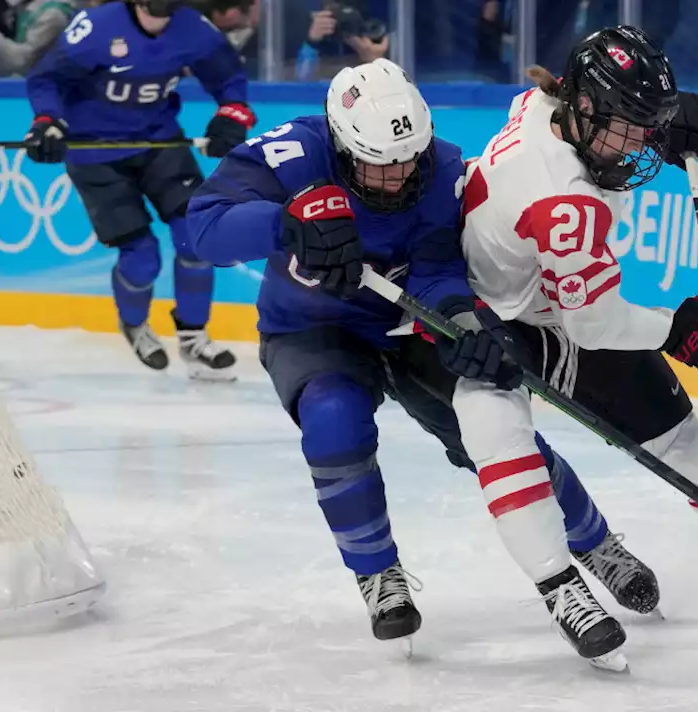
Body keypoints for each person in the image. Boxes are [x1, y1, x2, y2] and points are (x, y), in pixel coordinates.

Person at [184, 58, 661, 648]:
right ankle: (377, 572)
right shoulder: (294, 152)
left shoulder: (443, 169)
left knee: (493, 434)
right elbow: (203, 225)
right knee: (334, 424)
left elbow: (437, 264)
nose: (400, 175)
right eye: (380, 164)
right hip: (314, 331)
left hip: (411, 325)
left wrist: (462, 321)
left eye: (410, 159)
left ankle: (597, 544)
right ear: (340, 143)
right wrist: (285, 222)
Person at [446, 26, 698, 669]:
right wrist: (688, 333)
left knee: (680, 438)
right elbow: (595, 326)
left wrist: (668, 117)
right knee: (495, 431)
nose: (639, 147)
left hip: (545, 300)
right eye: (628, 130)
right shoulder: (565, 203)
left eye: (645, 128)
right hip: (496, 317)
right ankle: (560, 585)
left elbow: (602, 114)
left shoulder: (546, 105)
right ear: (581, 108)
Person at [24, 0, 256, 380]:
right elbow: (47, 78)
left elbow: (229, 78)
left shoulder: (192, 28)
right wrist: (48, 122)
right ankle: (134, 325)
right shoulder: (96, 28)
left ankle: (193, 337)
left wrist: (231, 115)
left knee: (195, 239)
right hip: (95, 151)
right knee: (141, 256)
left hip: (159, 143)